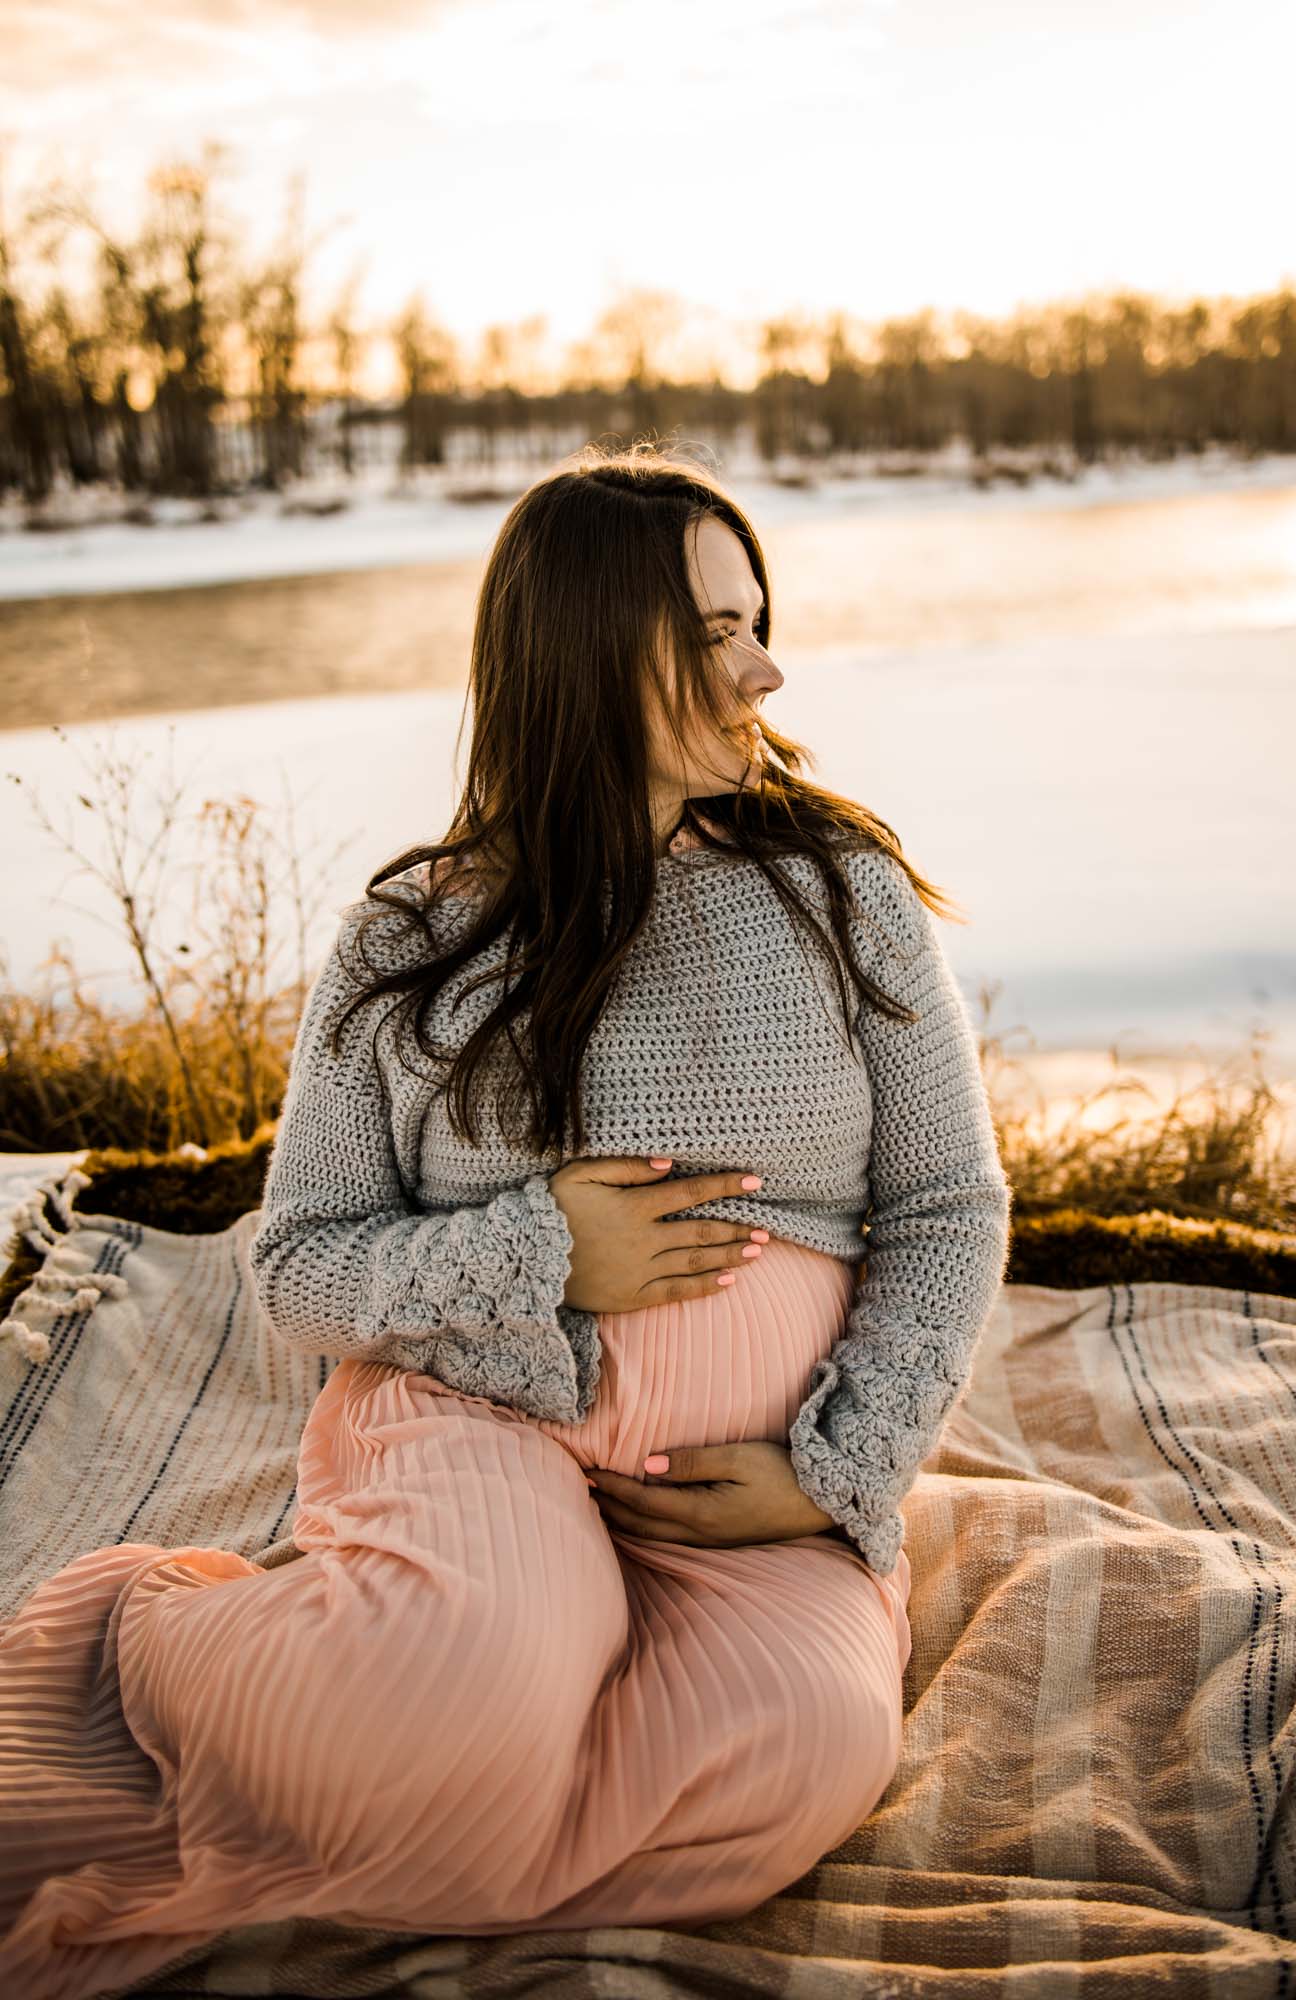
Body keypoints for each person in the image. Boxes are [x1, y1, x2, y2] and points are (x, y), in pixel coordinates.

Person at [0, 443, 1012, 1997]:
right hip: (484, 1427)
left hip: (746, 1495)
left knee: (798, 1760)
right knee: (449, 1699)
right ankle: (140, 1634)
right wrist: (545, 1250)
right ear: (585, 652)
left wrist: (836, 1470)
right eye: (715, 636)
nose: (766, 669)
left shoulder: (837, 888)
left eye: (759, 621)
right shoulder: (416, 938)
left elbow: (946, 1207)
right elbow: (300, 1271)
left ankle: (459, 1802)